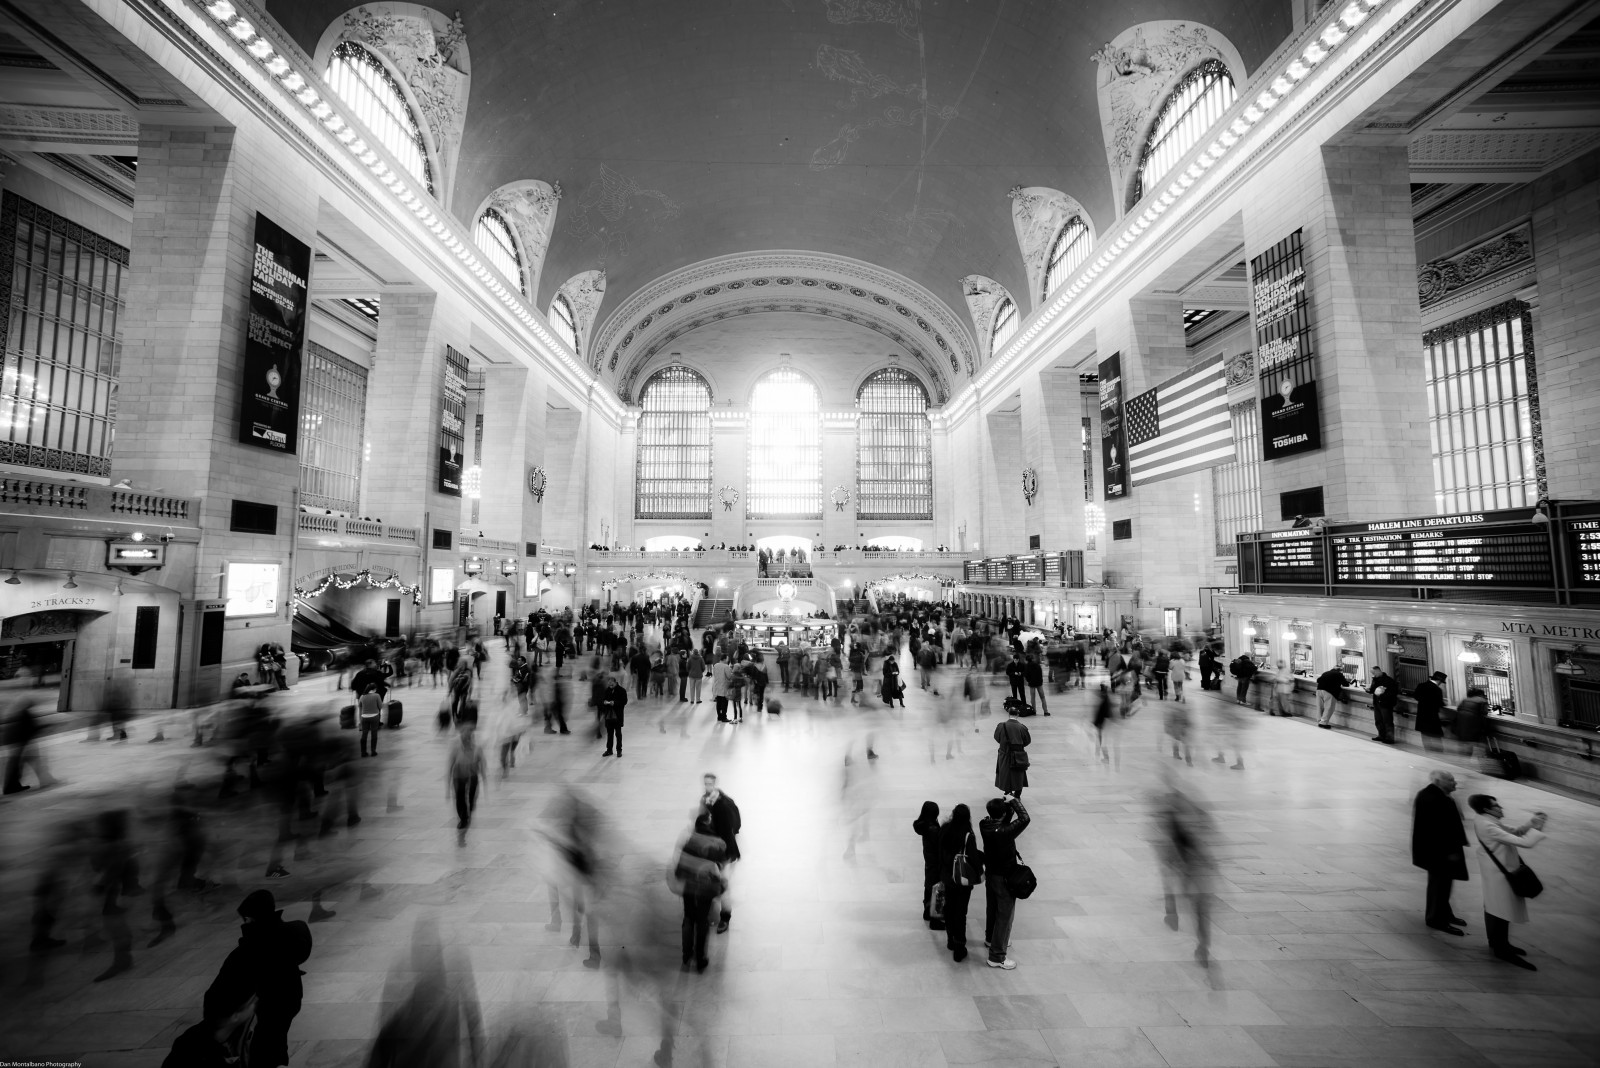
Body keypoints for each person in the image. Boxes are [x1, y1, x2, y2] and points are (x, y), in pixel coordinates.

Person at [203, 890, 313, 1068]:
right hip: (289, 999)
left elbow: (217, 993)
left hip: (264, 1007)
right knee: (277, 1042)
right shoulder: (294, 934)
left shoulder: (248, 950)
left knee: (261, 1052)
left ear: (250, 918)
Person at [1467, 794, 1548, 970]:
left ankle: (1498, 943)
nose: (1500, 808)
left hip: (1496, 871)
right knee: (1501, 910)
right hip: (1500, 874)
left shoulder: (1484, 818)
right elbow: (1523, 842)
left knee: (1495, 908)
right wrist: (1537, 828)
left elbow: (1513, 832)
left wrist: (1531, 823)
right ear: (1487, 809)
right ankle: (1501, 948)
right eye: (1496, 806)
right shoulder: (1488, 825)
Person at [1412, 770, 1469, 935]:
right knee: (1440, 886)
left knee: (1443, 884)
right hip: (1440, 853)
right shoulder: (1434, 798)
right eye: (1450, 780)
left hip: (1439, 851)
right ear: (1438, 781)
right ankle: (1436, 919)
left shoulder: (1434, 794)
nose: (1455, 783)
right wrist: (1451, 851)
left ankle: (1444, 913)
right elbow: (1439, 830)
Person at [979, 794, 1030, 970]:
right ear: (1002, 814)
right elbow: (1025, 818)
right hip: (1004, 877)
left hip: (991, 873)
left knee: (992, 908)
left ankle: (990, 938)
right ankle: (997, 956)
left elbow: (1004, 821)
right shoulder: (1005, 832)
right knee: (1005, 915)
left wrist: (1005, 807)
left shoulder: (984, 824)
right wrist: (1014, 801)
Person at [672, 813, 727, 973]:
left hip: (689, 888)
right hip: (705, 889)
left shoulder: (689, 842)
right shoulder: (717, 843)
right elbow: (720, 867)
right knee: (702, 920)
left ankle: (686, 955)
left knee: (689, 918)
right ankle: (700, 958)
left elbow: (678, 871)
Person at [936, 804, 980, 962]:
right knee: (960, 913)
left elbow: (939, 851)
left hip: (947, 877)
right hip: (961, 880)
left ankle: (950, 940)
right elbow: (973, 858)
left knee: (949, 909)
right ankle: (959, 947)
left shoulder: (945, 829)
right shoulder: (968, 835)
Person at [701, 773, 741, 933]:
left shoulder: (722, 805)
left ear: (714, 784)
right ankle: (711, 914)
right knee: (711, 882)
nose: (707, 786)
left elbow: (727, 832)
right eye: (705, 783)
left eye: (710, 783)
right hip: (713, 851)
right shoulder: (706, 800)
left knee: (723, 885)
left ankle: (725, 917)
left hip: (724, 853)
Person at [447, 725, 487, 837]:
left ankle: (471, 805)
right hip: (458, 776)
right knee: (459, 797)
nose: (466, 739)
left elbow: (482, 762)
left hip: (472, 775)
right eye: (464, 737)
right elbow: (450, 765)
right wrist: (448, 784)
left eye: (468, 737)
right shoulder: (456, 748)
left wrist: (484, 776)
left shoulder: (477, 748)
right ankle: (463, 818)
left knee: (471, 796)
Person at [913, 801, 942, 927]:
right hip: (936, 862)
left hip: (929, 861)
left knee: (929, 885)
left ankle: (927, 911)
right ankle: (936, 919)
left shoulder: (923, 825)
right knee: (938, 888)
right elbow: (940, 846)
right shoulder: (933, 829)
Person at [994, 703, 1030, 797]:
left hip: (1004, 754)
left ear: (1009, 714)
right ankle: (1017, 795)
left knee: (1005, 773)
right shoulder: (1022, 727)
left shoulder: (1001, 726)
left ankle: (1007, 793)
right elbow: (1027, 741)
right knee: (1018, 775)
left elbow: (997, 737)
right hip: (1018, 755)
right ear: (1018, 714)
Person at [1414, 670, 1449, 753]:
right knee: (1436, 736)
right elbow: (1439, 703)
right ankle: (1438, 753)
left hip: (1421, 716)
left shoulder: (1421, 685)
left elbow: (1416, 696)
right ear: (1439, 681)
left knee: (1425, 736)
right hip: (1432, 717)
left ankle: (1428, 752)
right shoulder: (1437, 690)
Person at [1453, 687, 1489, 759]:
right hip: (1473, 726)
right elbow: (1485, 713)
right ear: (1480, 694)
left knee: (1464, 744)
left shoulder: (1464, 700)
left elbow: (1458, 710)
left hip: (1461, 726)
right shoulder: (1482, 701)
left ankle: (1463, 759)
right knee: (1476, 744)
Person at [1367, 667, 1399, 743]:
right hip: (1377, 703)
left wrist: (1382, 695)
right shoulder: (1375, 680)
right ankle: (1381, 735)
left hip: (1386, 703)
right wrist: (1370, 690)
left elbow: (1393, 692)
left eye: (1374, 673)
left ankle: (1389, 738)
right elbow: (1373, 690)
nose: (1373, 675)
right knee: (1378, 720)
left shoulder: (1389, 681)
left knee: (1387, 721)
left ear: (1378, 671)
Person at [599, 675, 627, 756]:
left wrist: (615, 703)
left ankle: (619, 750)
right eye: (609, 684)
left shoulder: (621, 690)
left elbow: (624, 701)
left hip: (617, 716)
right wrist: (604, 702)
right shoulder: (607, 690)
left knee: (618, 734)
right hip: (609, 716)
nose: (610, 685)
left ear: (615, 682)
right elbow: (603, 699)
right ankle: (609, 750)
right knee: (609, 734)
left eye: (612, 684)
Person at [357, 685, 383, 757]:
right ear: (374, 689)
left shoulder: (362, 696)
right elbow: (380, 706)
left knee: (364, 734)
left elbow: (359, 706)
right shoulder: (377, 695)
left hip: (364, 717)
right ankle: (373, 751)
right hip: (375, 717)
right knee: (374, 733)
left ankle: (363, 752)